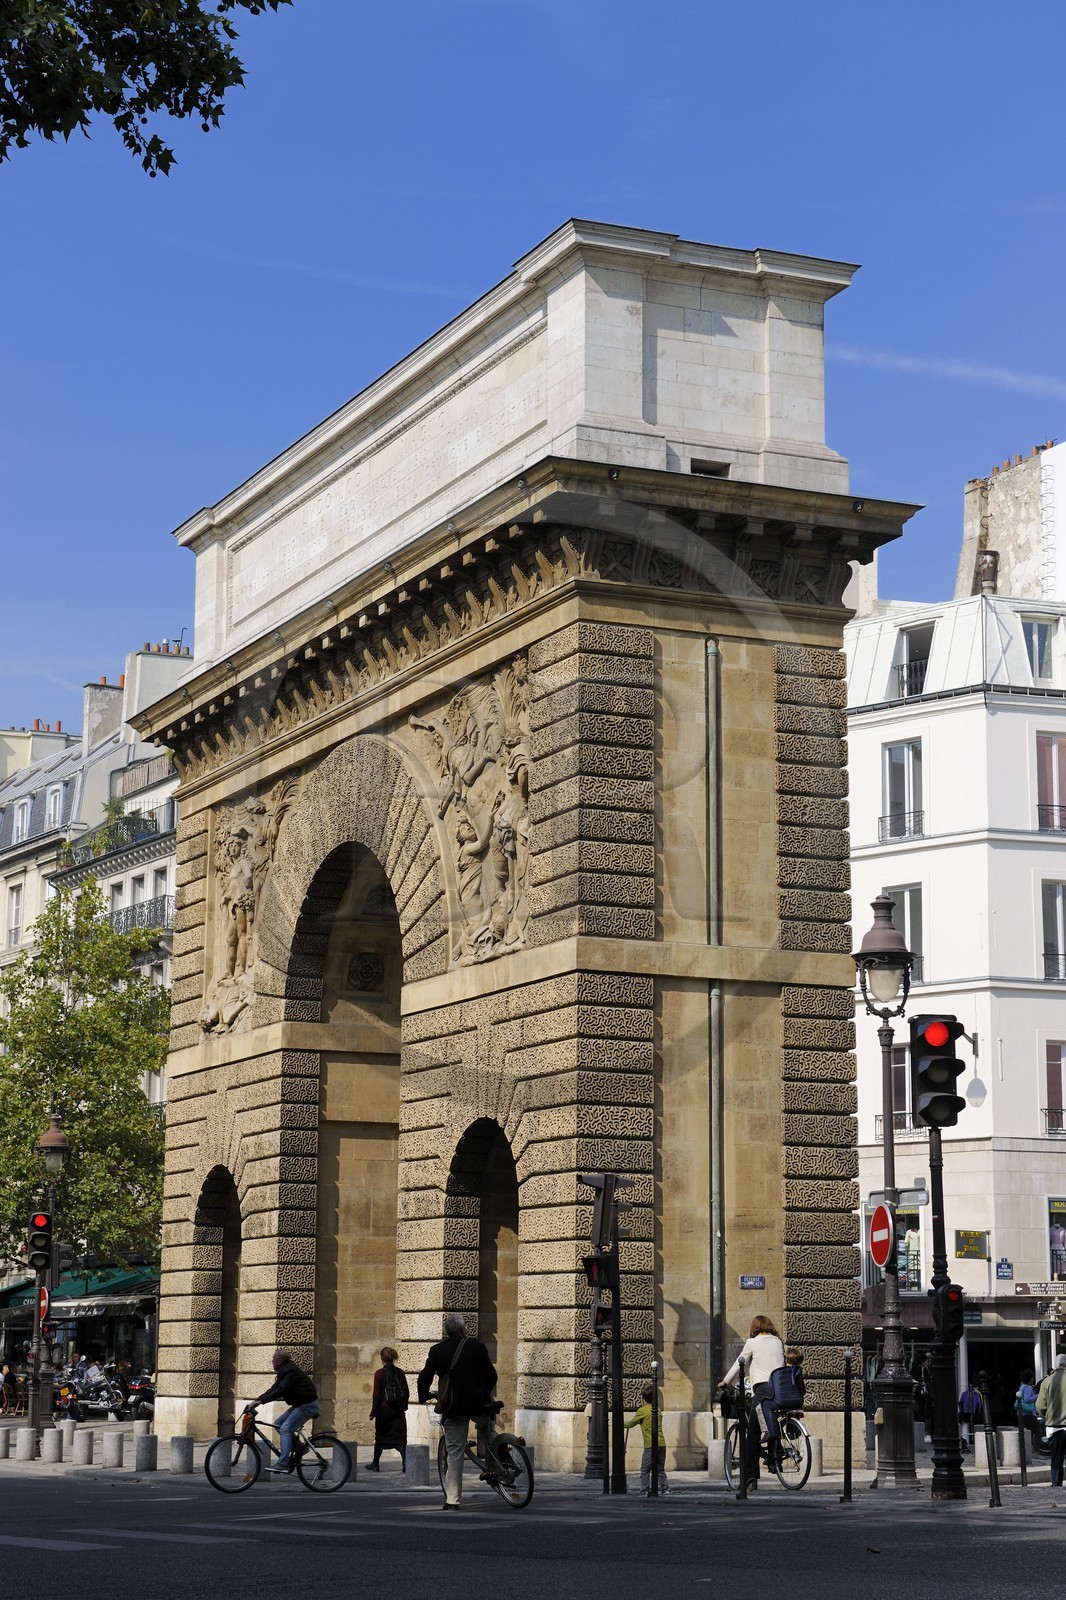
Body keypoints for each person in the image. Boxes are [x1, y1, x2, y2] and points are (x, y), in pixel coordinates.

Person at [417, 1314, 498, 1509]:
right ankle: (495, 1466)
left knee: (454, 1453)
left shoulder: (437, 1350)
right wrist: (484, 1392)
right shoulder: (477, 1346)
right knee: (488, 1431)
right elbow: (492, 1375)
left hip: (454, 1407)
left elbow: (424, 1377)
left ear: (447, 1331)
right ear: (463, 1330)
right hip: (479, 1403)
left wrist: (424, 1396)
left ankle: (452, 1500)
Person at [717, 1314, 786, 1489]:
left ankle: (748, 1478)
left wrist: (725, 1381)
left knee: (751, 1434)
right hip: (780, 1389)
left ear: (755, 1328)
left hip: (763, 1389)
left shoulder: (752, 1342)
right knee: (768, 1420)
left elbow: (738, 1364)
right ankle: (775, 1452)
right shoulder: (778, 1341)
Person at [255, 1349, 319, 1474]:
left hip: (307, 1405)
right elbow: (274, 1389)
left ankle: (283, 1463)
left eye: (273, 1359)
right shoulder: (284, 1371)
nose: (272, 1361)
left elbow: (281, 1390)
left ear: (279, 1361)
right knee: (278, 1423)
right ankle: (301, 1448)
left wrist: (260, 1402)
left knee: (286, 1428)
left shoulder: (290, 1372)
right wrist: (257, 1401)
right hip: (299, 1405)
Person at [368, 1346, 409, 1472]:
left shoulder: (379, 1374)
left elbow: (376, 1394)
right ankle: (405, 1465)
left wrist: (373, 1412)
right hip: (398, 1411)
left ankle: (375, 1464)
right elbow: (406, 1391)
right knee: (400, 1438)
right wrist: (404, 1406)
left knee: (380, 1437)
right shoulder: (400, 1372)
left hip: (384, 1411)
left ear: (382, 1359)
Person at [624, 1382, 669, 1495]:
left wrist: (618, 1423)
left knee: (645, 1469)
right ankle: (665, 1488)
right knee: (660, 1469)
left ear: (643, 1397)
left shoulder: (642, 1411)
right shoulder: (657, 1409)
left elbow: (630, 1424)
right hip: (661, 1443)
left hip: (650, 1444)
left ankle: (645, 1489)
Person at [1037, 1353, 1066, 1487]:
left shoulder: (1047, 1381)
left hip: (1054, 1427)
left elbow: (1040, 1406)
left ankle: (1056, 1485)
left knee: (1056, 1460)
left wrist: (1046, 1415)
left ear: (1055, 1365)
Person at [1015, 1369, 1049, 1455]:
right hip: (1029, 1413)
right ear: (1030, 1378)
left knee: (1028, 1432)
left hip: (1021, 1413)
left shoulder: (1021, 1386)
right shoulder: (1028, 1388)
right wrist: (1037, 1396)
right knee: (1039, 1431)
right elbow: (1027, 1399)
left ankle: (1027, 1450)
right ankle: (1036, 1450)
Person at [958, 1378, 982, 1450]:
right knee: (966, 1424)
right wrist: (962, 1410)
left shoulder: (976, 1394)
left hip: (974, 1412)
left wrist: (978, 1412)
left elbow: (979, 1404)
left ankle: (972, 1439)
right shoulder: (964, 1394)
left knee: (973, 1424)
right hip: (966, 1411)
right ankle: (967, 1439)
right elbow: (960, 1403)